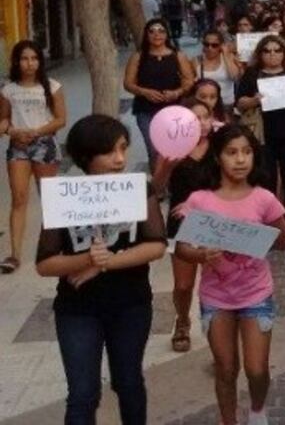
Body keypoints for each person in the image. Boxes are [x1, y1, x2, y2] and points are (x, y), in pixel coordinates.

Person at [36, 115, 167, 424]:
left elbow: (156, 244)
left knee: (129, 382)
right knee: (83, 394)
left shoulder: (139, 189)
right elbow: (45, 262)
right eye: (109, 152)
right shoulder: (63, 196)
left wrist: (106, 263)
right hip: (78, 307)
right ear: (86, 156)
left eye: (123, 148)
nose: (119, 158)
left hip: (130, 302)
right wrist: (87, 260)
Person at [175, 125, 285, 425]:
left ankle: (257, 410)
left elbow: (284, 241)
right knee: (225, 368)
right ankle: (229, 420)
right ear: (217, 157)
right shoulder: (200, 200)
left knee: (256, 369)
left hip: (256, 294)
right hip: (216, 298)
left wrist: (257, 235)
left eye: (247, 152)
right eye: (232, 152)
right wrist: (201, 254)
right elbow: (183, 248)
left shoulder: (263, 198)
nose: (240, 160)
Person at [152, 98, 214, 353]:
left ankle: (215, 324)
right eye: (193, 118)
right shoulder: (171, 148)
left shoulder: (223, 145)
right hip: (182, 222)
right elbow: (156, 189)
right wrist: (168, 166)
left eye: (205, 117)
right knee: (183, 284)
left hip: (216, 221)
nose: (200, 123)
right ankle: (183, 320)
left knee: (217, 281)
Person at [0, 41, 67, 273]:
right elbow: (4, 119)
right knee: (19, 199)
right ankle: (15, 254)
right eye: (24, 59)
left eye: (34, 58)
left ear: (40, 61)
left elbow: (61, 119)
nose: (29, 64)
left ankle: (54, 247)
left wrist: (36, 132)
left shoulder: (52, 87)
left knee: (48, 199)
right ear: (17, 62)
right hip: (18, 146)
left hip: (44, 143)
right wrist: (11, 131)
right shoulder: (9, 90)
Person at [236, 34, 285, 205]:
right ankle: (270, 213)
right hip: (263, 134)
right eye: (267, 51)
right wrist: (254, 100)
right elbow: (240, 102)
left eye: (277, 50)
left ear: (284, 52)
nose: (272, 54)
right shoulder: (252, 74)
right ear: (260, 54)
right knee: (267, 178)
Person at [123, 18, 195, 170]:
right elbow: (128, 83)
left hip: (173, 111)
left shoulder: (178, 55)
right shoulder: (138, 56)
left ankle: (172, 183)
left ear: (167, 34)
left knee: (173, 149)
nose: (157, 34)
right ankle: (158, 188)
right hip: (146, 111)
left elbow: (189, 80)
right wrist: (143, 91)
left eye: (161, 30)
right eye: (152, 31)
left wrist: (177, 92)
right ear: (146, 35)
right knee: (154, 149)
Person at [195, 29, 241, 110]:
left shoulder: (229, 58)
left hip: (226, 104)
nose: (210, 48)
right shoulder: (197, 60)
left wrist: (226, 54)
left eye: (214, 45)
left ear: (221, 46)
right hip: (205, 105)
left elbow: (234, 77)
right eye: (206, 44)